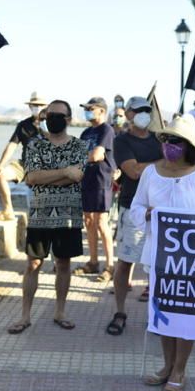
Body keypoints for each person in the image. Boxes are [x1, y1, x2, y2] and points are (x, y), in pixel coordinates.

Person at [129, 114, 195, 391]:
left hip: (189, 261)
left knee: (185, 315)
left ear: (188, 144)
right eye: (166, 139)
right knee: (163, 313)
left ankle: (180, 368)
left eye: (176, 140)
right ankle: (167, 365)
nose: (169, 145)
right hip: (158, 257)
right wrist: (148, 214)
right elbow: (135, 208)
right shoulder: (150, 173)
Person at [7, 99, 88, 334]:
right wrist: (64, 172)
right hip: (39, 214)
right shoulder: (34, 145)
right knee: (32, 264)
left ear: (69, 119)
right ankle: (24, 316)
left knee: (63, 264)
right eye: (49, 114)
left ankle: (60, 312)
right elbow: (31, 178)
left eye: (58, 115)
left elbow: (78, 176)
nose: (53, 118)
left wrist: (49, 176)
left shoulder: (79, 146)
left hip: (68, 215)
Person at [108, 97, 163, 334]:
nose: (143, 114)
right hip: (134, 209)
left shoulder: (160, 140)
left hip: (160, 210)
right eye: (138, 110)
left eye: (147, 110)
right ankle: (120, 311)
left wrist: (154, 164)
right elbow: (133, 172)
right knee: (126, 262)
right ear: (128, 114)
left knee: (160, 265)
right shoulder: (121, 141)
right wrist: (164, 162)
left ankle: (158, 315)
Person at [75, 97, 116, 281]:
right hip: (86, 181)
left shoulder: (106, 130)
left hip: (101, 180)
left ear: (101, 111)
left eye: (91, 108)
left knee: (101, 222)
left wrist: (81, 157)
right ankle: (93, 262)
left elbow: (97, 155)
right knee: (89, 221)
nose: (88, 111)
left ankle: (110, 266)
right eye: (86, 108)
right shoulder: (85, 133)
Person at [0, 93, 47, 221]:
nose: (37, 108)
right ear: (30, 107)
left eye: (40, 105)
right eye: (34, 105)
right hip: (25, 164)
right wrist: (1, 164)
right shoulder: (23, 125)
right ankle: (8, 210)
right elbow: (12, 145)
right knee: (0, 175)